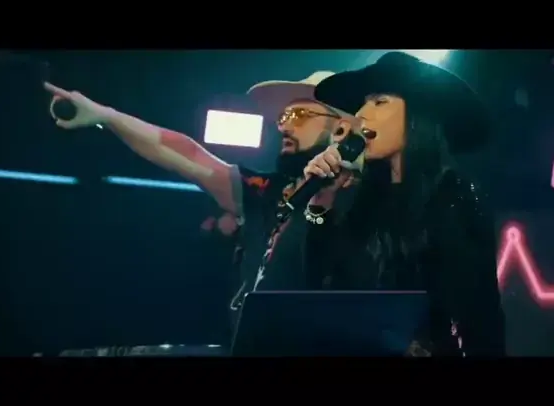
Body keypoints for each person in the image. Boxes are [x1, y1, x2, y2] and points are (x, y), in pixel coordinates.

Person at [42, 71, 356, 315]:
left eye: (299, 116)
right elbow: (187, 154)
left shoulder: (362, 198)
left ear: (341, 128)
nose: (284, 127)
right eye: (283, 118)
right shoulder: (265, 192)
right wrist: (107, 116)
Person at [303, 52, 506, 356]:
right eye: (363, 103)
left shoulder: (453, 196)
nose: (361, 113)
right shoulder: (359, 195)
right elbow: (320, 283)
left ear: (415, 116)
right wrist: (321, 202)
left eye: (379, 102)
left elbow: (479, 312)